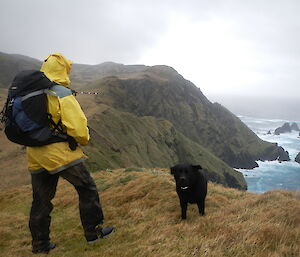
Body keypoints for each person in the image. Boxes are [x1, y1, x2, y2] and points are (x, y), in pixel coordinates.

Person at [26, 53, 114, 254]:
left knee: (40, 201)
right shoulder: (61, 93)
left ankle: (40, 245)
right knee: (87, 189)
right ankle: (95, 232)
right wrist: (83, 140)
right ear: (62, 70)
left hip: (35, 156)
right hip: (61, 154)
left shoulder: (31, 92)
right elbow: (78, 128)